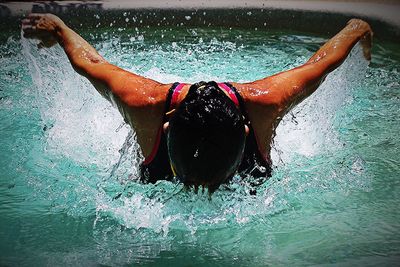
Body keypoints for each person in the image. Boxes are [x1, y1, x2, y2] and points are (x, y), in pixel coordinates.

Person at [22, 13, 372, 193]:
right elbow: (93, 65)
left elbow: (321, 65)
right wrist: (61, 30)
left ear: (247, 130)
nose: (202, 191)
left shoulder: (267, 103)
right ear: (166, 126)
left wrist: (355, 30)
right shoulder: (143, 104)